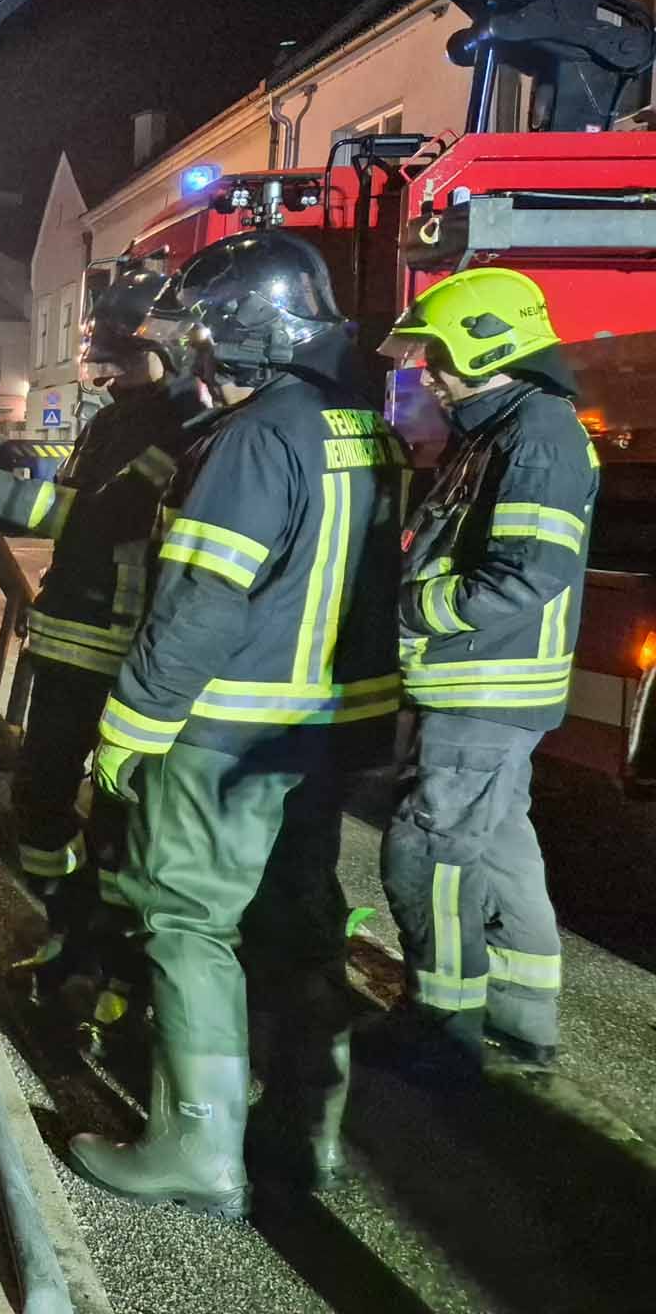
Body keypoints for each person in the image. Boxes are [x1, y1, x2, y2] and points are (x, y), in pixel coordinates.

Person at [67, 232, 405, 1218]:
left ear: (246, 334)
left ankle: (194, 1153)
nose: (195, 354)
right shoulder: (359, 428)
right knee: (300, 928)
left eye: (205, 333)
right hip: (318, 739)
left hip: (222, 737)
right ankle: (306, 1137)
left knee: (186, 925)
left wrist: (129, 725)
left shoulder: (250, 441)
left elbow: (200, 608)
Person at [0, 264, 210, 1034]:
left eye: (123, 356)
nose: (106, 372)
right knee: (42, 801)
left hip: (123, 651)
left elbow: (99, 518)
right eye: (103, 357)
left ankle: (118, 971)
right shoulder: (119, 416)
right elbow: (73, 516)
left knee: (120, 831)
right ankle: (70, 937)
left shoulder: (184, 427)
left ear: (174, 350)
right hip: (73, 638)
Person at [365, 267, 595, 1077]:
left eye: (437, 357)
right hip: (484, 687)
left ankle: (443, 1024)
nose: (425, 372)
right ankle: (521, 1018)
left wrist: (408, 612)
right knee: (498, 849)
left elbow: (530, 573)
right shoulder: (505, 428)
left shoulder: (537, 436)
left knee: (424, 851)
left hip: (482, 687)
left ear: (489, 345)